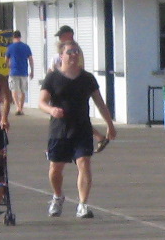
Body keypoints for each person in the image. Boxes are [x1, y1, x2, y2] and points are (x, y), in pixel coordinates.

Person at [38, 42, 114, 220]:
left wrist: (109, 124)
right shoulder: (53, 78)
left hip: (82, 128)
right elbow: (41, 102)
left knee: (84, 163)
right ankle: (58, 196)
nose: (73, 55)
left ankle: (82, 204)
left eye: (76, 51)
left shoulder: (87, 78)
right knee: (55, 169)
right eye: (69, 52)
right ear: (61, 56)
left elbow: (100, 103)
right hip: (59, 130)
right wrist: (51, 110)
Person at [6, 31, 32, 116]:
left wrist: (8, 66)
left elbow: (6, 59)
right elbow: (31, 59)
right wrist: (32, 71)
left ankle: (17, 107)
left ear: (13, 37)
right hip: (24, 71)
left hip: (13, 71)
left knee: (14, 90)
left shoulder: (10, 47)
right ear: (20, 37)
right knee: (23, 90)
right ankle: (21, 107)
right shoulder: (26, 47)